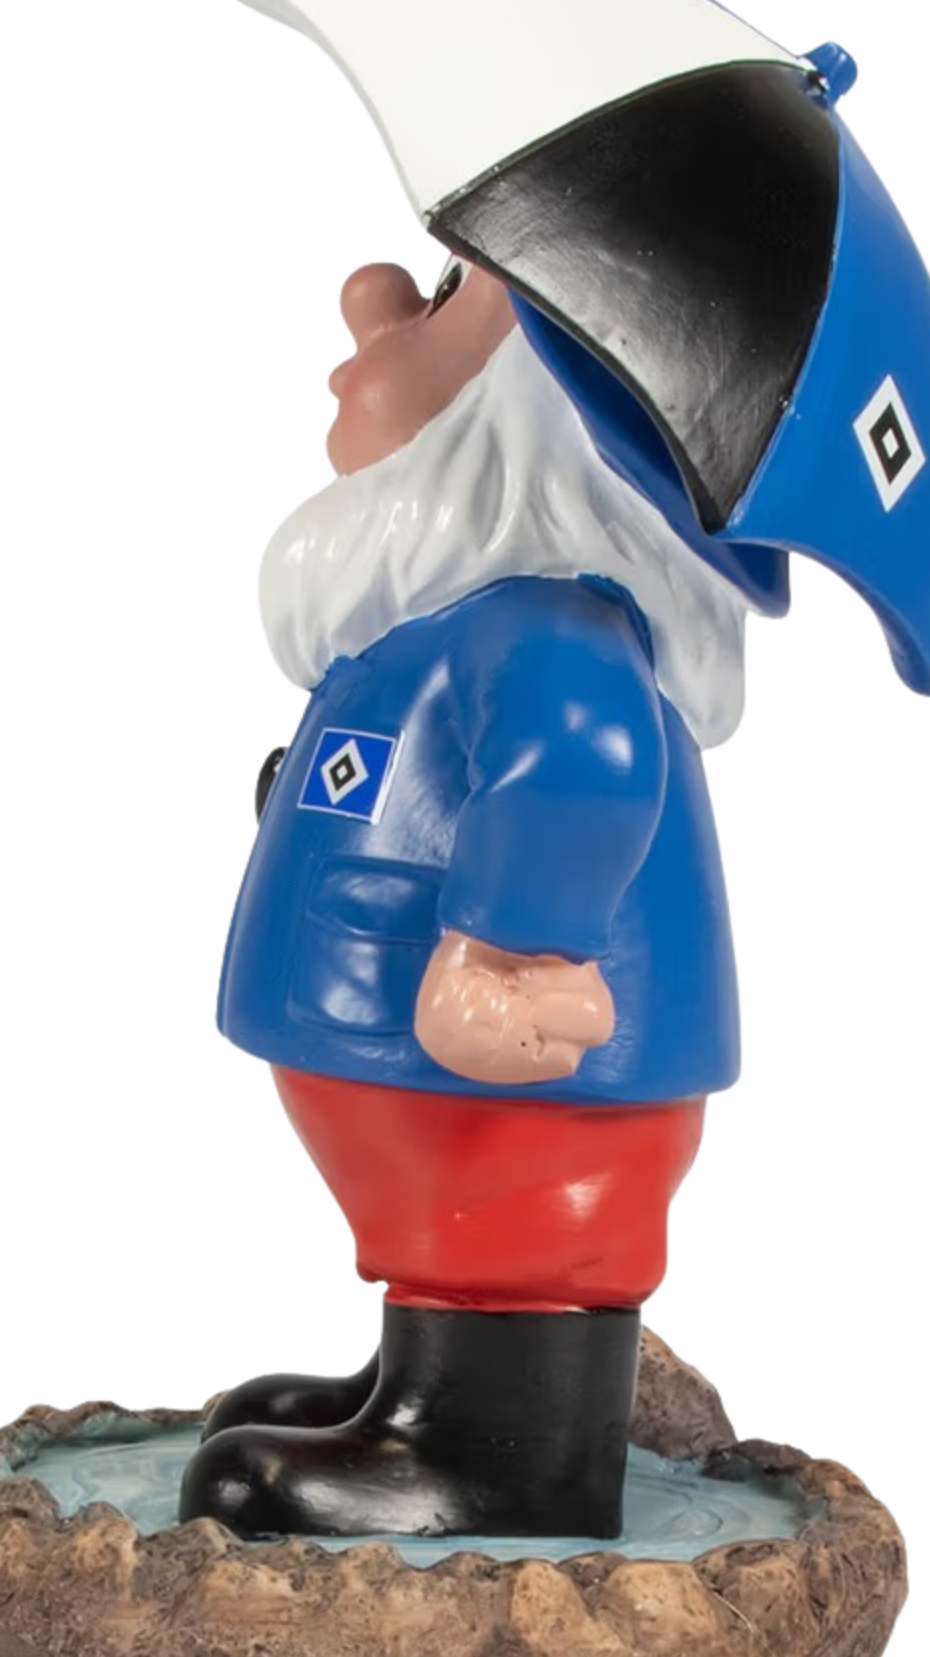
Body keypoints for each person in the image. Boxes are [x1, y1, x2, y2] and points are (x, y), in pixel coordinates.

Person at [178, 252, 750, 1540]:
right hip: (438, 1097)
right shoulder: (443, 617)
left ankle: (511, 1456)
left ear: (541, 392)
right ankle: (425, 1386)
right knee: (461, 1224)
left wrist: (510, 952)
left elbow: (588, 764)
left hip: (535, 1106)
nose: (370, 299)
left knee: (513, 1223)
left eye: (445, 295)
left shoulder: (551, 629)